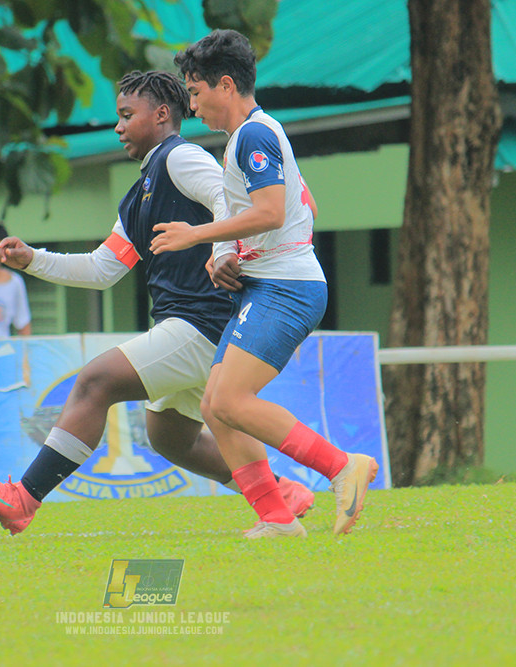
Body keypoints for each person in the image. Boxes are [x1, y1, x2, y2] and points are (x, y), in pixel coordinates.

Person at [0, 70, 315, 536]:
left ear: (162, 115)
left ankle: (23, 498)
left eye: (127, 115)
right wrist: (31, 259)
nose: (118, 126)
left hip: (206, 321)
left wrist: (224, 252)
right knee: (169, 435)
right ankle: (280, 494)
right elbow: (102, 268)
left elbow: (227, 197)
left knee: (96, 380)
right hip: (194, 323)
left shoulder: (181, 157)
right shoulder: (142, 192)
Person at [148, 29, 378, 537]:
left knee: (229, 401)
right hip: (271, 284)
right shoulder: (248, 138)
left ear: (225, 85)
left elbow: (273, 212)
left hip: (287, 288)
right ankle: (276, 517)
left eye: (195, 91)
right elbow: (304, 207)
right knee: (215, 405)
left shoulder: (253, 135)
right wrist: (226, 254)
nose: (192, 104)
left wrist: (198, 234)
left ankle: (343, 468)